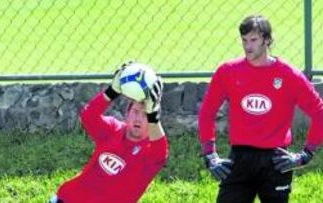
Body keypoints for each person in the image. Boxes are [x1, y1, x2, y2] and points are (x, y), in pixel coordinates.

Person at [198, 15, 323, 203]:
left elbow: (319, 112)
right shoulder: (227, 72)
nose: (248, 46)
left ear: (267, 40)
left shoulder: (289, 75)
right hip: (240, 158)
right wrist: (210, 154)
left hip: (276, 160)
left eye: (254, 40)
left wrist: (305, 155)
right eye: (244, 40)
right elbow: (207, 112)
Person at [49, 62, 168, 203]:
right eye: (135, 111)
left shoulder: (150, 152)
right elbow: (88, 116)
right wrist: (112, 91)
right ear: (127, 113)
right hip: (69, 198)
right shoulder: (112, 129)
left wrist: (153, 114)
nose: (139, 119)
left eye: (145, 115)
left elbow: (160, 149)